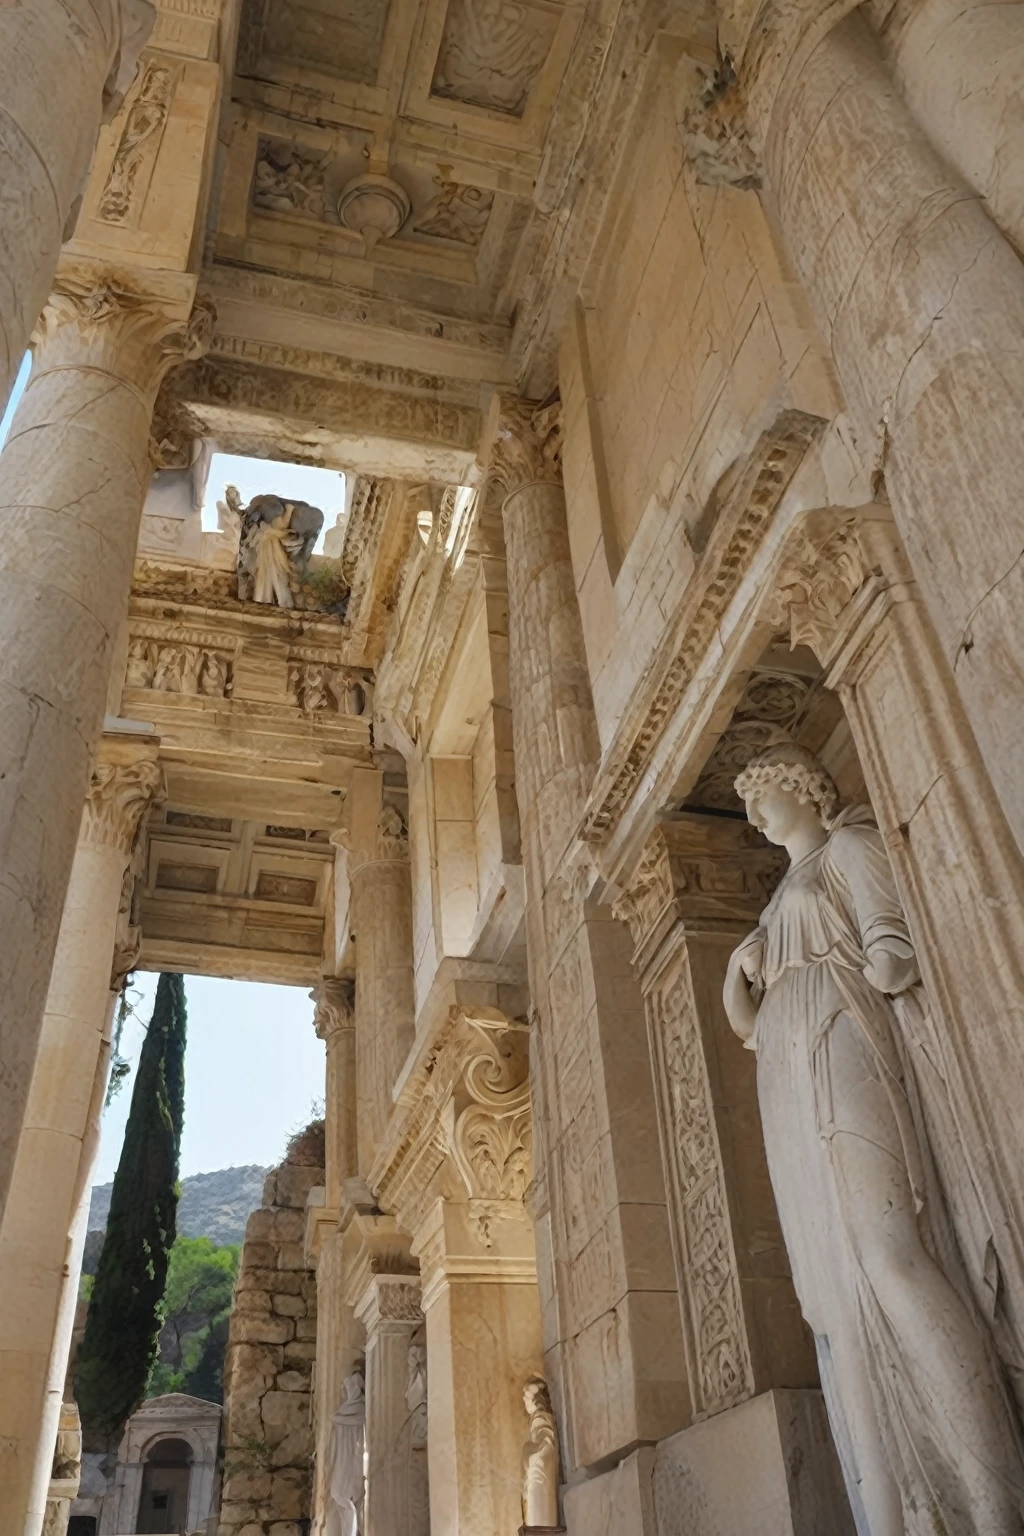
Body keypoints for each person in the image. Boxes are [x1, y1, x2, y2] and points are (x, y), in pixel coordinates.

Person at [723, 742, 1024, 1534]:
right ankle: (893, 1513)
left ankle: (994, 1498)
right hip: (786, 1070)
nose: (755, 814)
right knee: (832, 1308)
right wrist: (740, 972)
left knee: (890, 1257)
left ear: (804, 787)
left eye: (764, 794)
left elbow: (891, 954)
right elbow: (747, 1027)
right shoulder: (775, 903)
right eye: (747, 806)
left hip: (842, 1039)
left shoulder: (850, 849)